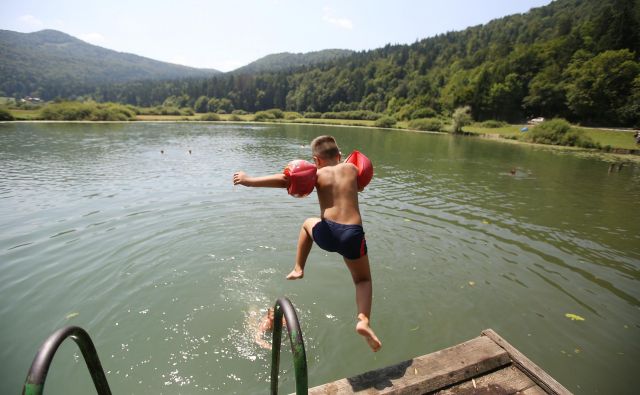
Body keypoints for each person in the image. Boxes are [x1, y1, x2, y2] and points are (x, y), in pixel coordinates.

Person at [233, 135, 382, 352]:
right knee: (362, 280)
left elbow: (285, 180)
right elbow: (360, 185)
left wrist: (248, 180)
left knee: (306, 224)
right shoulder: (351, 168)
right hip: (353, 234)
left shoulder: (317, 174)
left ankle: (298, 268)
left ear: (316, 160)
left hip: (328, 232)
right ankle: (363, 320)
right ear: (339, 156)